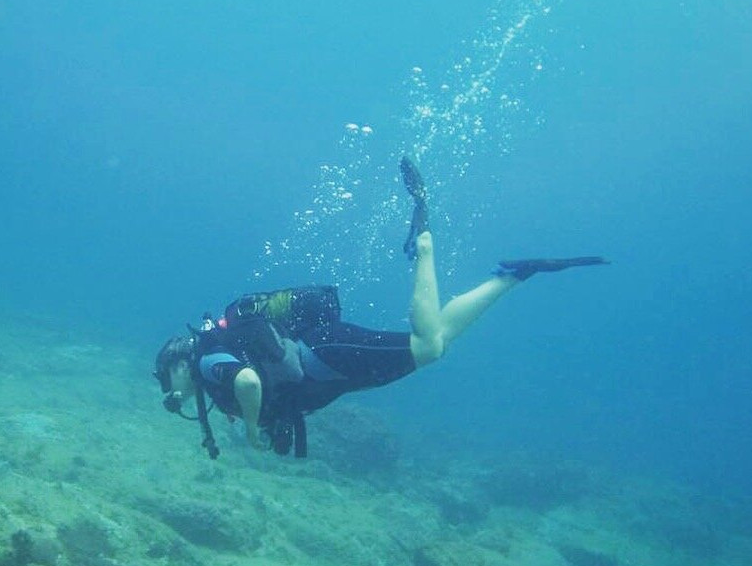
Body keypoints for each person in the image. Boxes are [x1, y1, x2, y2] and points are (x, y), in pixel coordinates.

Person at [154, 157, 607, 459]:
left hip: (327, 353)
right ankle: (513, 275)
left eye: (165, 377)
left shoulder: (206, 357)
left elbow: (250, 382)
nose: (171, 389)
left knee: (428, 346)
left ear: (176, 360)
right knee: (436, 346)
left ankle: (426, 245)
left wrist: (252, 432)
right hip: (329, 364)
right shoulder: (211, 361)